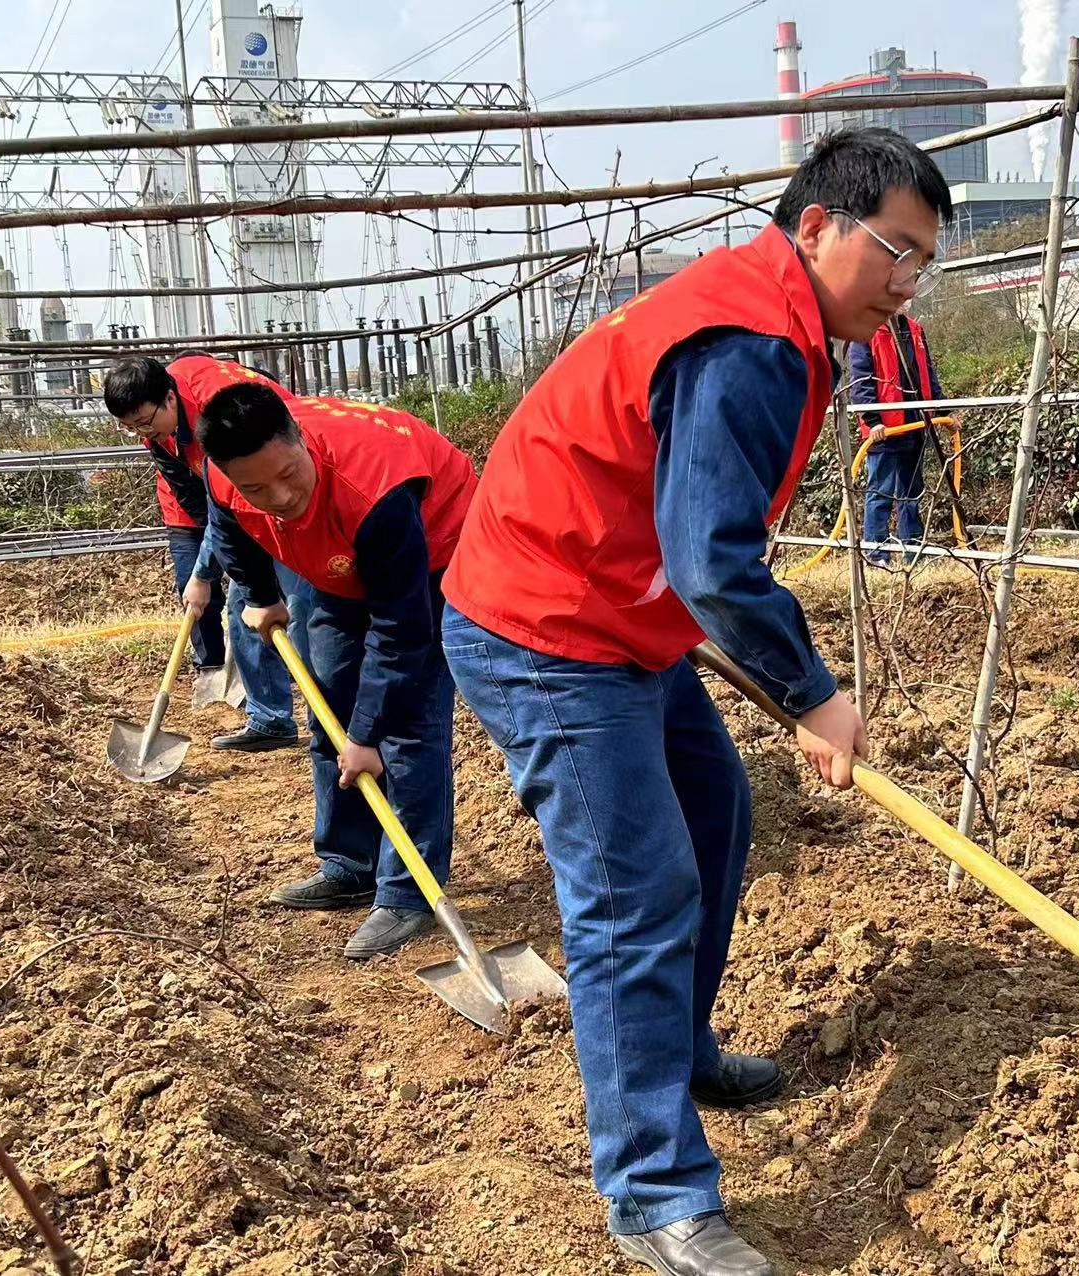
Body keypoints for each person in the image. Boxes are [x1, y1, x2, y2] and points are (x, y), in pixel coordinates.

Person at [440, 127, 951, 1276]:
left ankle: (674, 1050)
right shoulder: (750, 335)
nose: (908, 282)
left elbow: (689, 536)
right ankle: (653, 1190)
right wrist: (812, 693)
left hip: (615, 606)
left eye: (924, 260)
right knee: (635, 893)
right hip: (547, 626)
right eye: (894, 250)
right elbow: (713, 557)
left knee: (716, 811)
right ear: (815, 225)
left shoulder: (773, 309)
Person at [197, 384, 476, 958]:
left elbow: (400, 632)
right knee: (329, 708)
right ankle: (350, 864)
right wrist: (262, 594)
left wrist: (368, 735)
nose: (280, 497)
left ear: (302, 440)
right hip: (335, 560)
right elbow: (228, 530)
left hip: (433, 553)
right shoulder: (224, 475)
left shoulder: (376, 485)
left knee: (406, 729)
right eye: (256, 488)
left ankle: (407, 894)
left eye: (288, 474)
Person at [103, 354, 316, 750]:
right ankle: (270, 720)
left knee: (304, 608)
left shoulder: (222, 414)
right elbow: (205, 507)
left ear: (169, 399)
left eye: (144, 423)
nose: (142, 433)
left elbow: (231, 502)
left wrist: (203, 574)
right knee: (245, 605)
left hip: (289, 490)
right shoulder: (157, 429)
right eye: (130, 427)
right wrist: (210, 567)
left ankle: (331, 722)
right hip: (239, 499)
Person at [847, 306, 945, 564]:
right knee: (880, 492)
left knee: (911, 492)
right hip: (885, 430)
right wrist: (872, 420)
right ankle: (877, 553)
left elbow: (927, 373)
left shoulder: (915, 330)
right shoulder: (866, 330)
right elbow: (860, 381)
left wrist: (944, 410)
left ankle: (913, 550)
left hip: (915, 424)